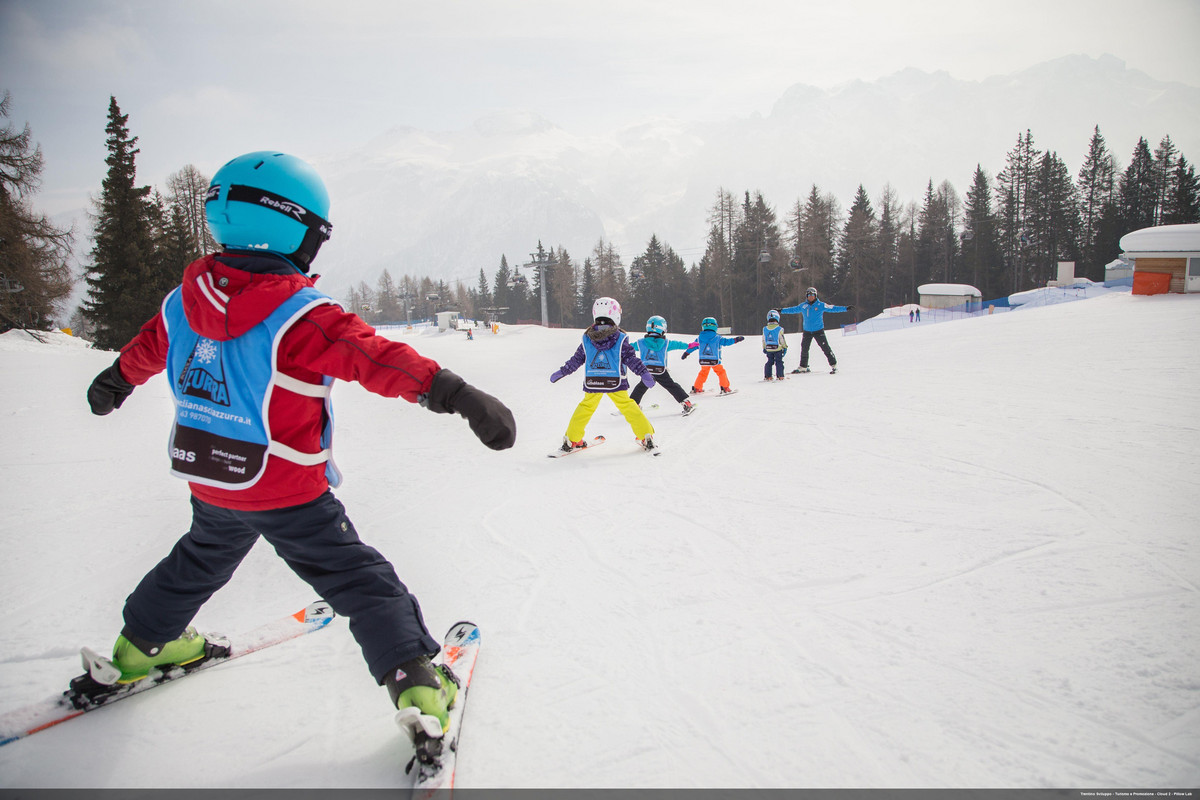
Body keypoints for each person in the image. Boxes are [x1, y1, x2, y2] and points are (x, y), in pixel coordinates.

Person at [84, 151, 516, 740]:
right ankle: (418, 684)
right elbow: (375, 357)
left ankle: (138, 648)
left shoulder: (182, 300)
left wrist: (116, 379)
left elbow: (147, 348)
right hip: (283, 487)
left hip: (211, 475)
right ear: (297, 230)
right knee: (359, 580)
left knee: (199, 559)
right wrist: (456, 393)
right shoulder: (301, 314)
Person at [550, 297, 658, 452]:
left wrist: (563, 371)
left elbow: (577, 359)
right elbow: (630, 359)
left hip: (593, 381)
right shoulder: (620, 338)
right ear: (616, 315)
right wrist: (644, 373)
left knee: (586, 407)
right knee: (628, 406)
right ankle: (645, 435)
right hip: (615, 382)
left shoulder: (587, 338)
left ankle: (572, 439)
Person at [629, 315, 695, 416]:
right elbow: (678, 344)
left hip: (646, 371)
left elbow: (629, 347)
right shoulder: (666, 343)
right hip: (660, 371)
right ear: (663, 328)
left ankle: (633, 405)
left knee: (641, 387)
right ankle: (686, 402)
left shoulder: (640, 343)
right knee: (671, 386)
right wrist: (688, 345)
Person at [780, 287, 853, 374]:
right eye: (809, 295)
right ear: (807, 296)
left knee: (825, 348)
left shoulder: (820, 305)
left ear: (815, 296)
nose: (811, 297)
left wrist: (845, 308)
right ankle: (803, 366)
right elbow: (792, 310)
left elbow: (833, 308)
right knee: (804, 349)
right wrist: (781, 311)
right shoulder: (803, 306)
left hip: (818, 331)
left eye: (812, 295)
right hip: (807, 332)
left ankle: (834, 365)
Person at [682, 316, 744, 394]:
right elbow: (727, 342)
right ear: (715, 326)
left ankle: (697, 388)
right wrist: (736, 340)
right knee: (721, 372)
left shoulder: (699, 338)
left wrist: (686, 353)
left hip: (703, 360)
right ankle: (725, 387)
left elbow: (693, 346)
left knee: (703, 373)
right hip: (714, 360)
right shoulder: (718, 337)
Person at [762, 309, 788, 380]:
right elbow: (782, 339)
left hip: (769, 348)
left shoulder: (765, 329)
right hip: (777, 349)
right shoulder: (779, 329)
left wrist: (764, 348)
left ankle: (768, 376)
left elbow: (764, 340)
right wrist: (785, 347)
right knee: (779, 362)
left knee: (769, 362)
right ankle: (780, 376)